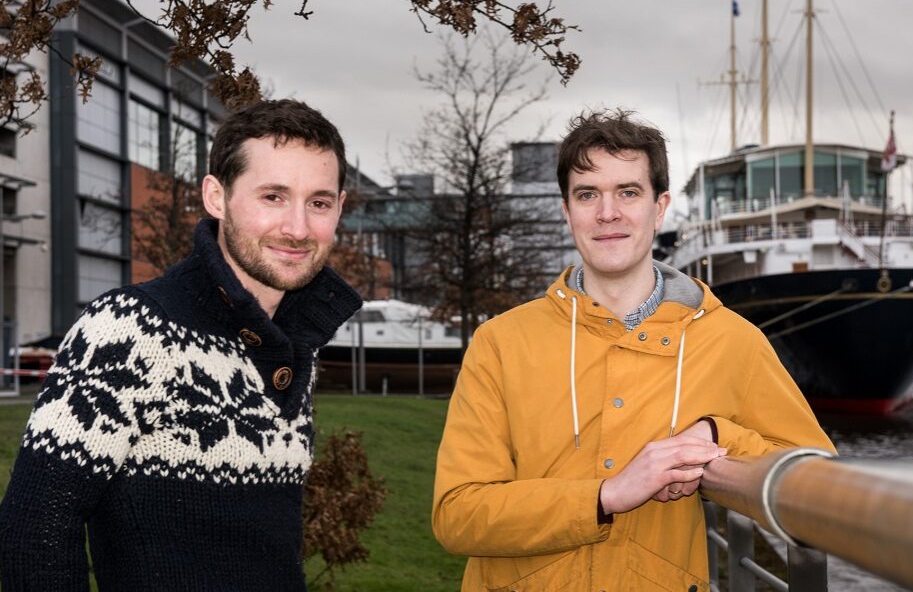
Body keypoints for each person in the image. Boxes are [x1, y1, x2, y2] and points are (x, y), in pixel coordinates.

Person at [432, 109, 835, 591]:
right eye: (587, 195)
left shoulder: (732, 341)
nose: (608, 214)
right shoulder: (500, 342)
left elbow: (819, 481)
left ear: (659, 207)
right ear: (567, 211)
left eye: (628, 192)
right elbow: (458, 514)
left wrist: (716, 436)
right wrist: (605, 496)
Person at [0, 99, 363, 591]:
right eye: (273, 196)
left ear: (339, 208)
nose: (298, 228)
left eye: (318, 202)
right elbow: (33, 531)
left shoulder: (292, 343)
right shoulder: (131, 326)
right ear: (216, 197)